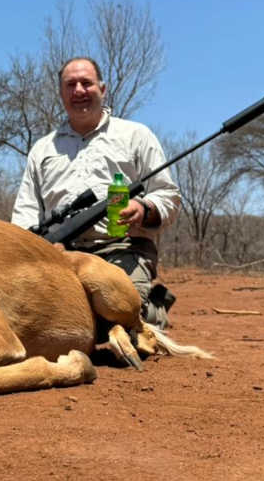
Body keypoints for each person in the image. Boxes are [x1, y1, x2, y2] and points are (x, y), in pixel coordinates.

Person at [11, 56, 180, 329]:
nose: (79, 90)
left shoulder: (136, 135)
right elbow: (25, 213)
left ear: (102, 89)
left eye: (86, 83)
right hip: (60, 255)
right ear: (61, 93)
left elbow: (167, 196)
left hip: (123, 248)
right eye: (71, 85)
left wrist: (143, 210)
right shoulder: (42, 149)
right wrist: (36, 246)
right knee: (27, 320)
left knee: (122, 323)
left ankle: (152, 307)